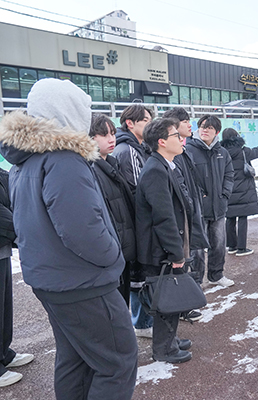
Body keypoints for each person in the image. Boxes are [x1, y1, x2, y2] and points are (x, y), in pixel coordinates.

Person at [0, 78, 137, 398]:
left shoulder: (25, 160)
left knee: (75, 359)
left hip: (51, 280)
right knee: (117, 361)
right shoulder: (63, 158)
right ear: (67, 111)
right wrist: (113, 257)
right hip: (83, 283)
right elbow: (82, 228)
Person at [135, 117, 193, 364]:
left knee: (171, 297)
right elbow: (163, 217)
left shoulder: (164, 164)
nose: (181, 139)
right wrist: (175, 253)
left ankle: (169, 340)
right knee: (166, 298)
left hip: (165, 248)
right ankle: (163, 349)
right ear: (161, 141)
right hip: (161, 250)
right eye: (175, 136)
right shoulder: (156, 170)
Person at [163, 107, 209, 322]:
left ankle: (189, 300)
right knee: (183, 259)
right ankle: (183, 306)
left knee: (193, 256)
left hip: (191, 212)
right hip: (182, 218)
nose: (190, 125)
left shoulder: (184, 150)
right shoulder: (170, 156)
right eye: (185, 121)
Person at [112, 104, 154, 338]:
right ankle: (142, 323)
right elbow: (140, 192)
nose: (149, 124)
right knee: (138, 273)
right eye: (145, 120)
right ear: (130, 123)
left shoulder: (138, 147)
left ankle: (142, 321)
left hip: (133, 223)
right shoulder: (127, 150)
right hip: (134, 223)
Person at [89, 114, 137, 307]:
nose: (111, 139)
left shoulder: (111, 163)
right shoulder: (91, 169)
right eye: (103, 134)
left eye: (112, 133)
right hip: (111, 254)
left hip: (122, 250)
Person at [185, 115, 235, 287]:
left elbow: (229, 174)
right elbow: (186, 178)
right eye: (203, 126)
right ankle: (196, 281)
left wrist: (225, 194)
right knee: (197, 249)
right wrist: (197, 198)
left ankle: (216, 275)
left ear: (217, 132)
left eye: (210, 128)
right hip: (198, 209)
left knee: (219, 244)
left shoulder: (222, 152)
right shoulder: (188, 150)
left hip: (218, 208)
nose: (205, 130)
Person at [0, 167, 34, 388]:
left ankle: (4, 353)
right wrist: (21, 228)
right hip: (6, 234)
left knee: (4, 306)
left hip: (2, 247)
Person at [220, 128, 258, 256]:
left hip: (228, 189)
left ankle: (232, 247)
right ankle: (242, 248)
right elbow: (256, 152)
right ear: (236, 137)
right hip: (243, 189)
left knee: (229, 218)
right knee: (242, 217)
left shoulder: (221, 152)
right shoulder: (243, 151)